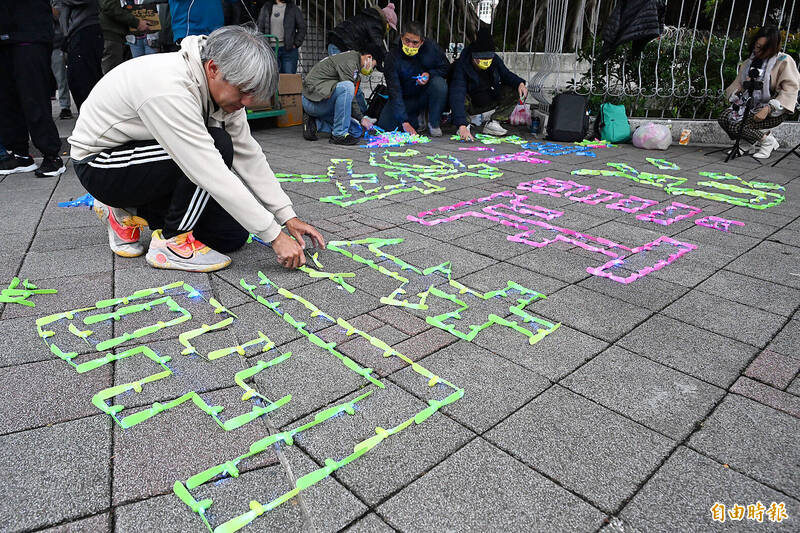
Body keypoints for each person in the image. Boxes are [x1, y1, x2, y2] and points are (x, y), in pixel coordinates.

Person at [68, 25, 325, 271]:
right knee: (216, 145)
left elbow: (249, 154)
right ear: (213, 68)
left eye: (254, 93)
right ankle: (171, 243)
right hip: (100, 165)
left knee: (231, 236)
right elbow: (208, 169)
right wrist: (274, 237)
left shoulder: (227, 93)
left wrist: (286, 217)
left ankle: (126, 212)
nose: (248, 102)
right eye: (244, 91)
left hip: (145, 161)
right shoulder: (168, 88)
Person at [0, 0, 66, 177]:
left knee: (33, 96)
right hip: (7, 35)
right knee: (7, 99)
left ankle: (52, 156)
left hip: (30, 33)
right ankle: (20, 153)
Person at [718, 26, 800, 159]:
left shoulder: (784, 61)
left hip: (774, 109)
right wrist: (741, 90)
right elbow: (737, 86)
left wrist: (768, 108)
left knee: (736, 126)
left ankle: (767, 141)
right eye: (757, 46)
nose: (757, 51)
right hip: (749, 105)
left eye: (762, 48)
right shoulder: (749, 62)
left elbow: (790, 90)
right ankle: (747, 143)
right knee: (723, 118)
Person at [449, 26, 528, 140]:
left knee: (515, 89)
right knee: (460, 97)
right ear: (473, 56)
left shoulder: (495, 60)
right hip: (469, 102)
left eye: (488, 59)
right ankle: (464, 125)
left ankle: (494, 122)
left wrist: (520, 83)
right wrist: (461, 124)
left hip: (488, 98)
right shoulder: (462, 65)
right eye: (481, 60)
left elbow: (506, 75)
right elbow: (457, 93)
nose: (485, 63)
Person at [377, 21, 449, 137]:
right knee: (387, 126)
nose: (410, 46)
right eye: (407, 41)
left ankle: (433, 121)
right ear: (401, 38)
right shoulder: (392, 56)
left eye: (415, 43)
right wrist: (404, 121)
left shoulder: (431, 48)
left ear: (422, 42)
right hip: (404, 96)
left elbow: (445, 68)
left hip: (425, 93)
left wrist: (430, 74)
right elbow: (394, 90)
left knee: (439, 84)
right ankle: (417, 119)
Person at [301, 47, 379, 145]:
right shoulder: (350, 62)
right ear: (369, 57)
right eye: (373, 66)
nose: (371, 70)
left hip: (322, 101)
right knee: (347, 87)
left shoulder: (352, 60)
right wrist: (361, 118)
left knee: (356, 131)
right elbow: (349, 97)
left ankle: (315, 124)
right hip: (312, 102)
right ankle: (338, 135)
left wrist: (361, 119)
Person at [327, 2, 396, 113]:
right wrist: (388, 61)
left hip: (339, 45)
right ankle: (361, 114)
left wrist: (378, 65)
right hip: (340, 46)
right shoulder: (375, 23)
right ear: (386, 21)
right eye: (389, 27)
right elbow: (378, 45)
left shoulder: (368, 19)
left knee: (350, 82)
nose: (388, 30)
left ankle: (361, 114)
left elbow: (369, 47)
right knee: (349, 83)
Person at [57, 0, 105, 111]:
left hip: (86, 29)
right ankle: (89, 117)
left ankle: (93, 118)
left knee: (85, 81)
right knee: (76, 80)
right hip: (74, 34)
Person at [257, 0, 305, 74]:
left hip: (289, 50)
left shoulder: (293, 8)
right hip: (270, 50)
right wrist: (263, 43)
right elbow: (260, 27)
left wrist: (296, 44)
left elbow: (302, 27)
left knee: (289, 78)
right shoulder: (266, 7)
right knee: (272, 77)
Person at [99, 0, 148, 73]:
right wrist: (136, 22)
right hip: (110, 35)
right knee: (111, 75)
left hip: (112, 35)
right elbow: (110, 7)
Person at [51, 1, 73, 119]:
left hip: (57, 42)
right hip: (43, 42)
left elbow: (58, 14)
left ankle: (65, 107)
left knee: (61, 77)